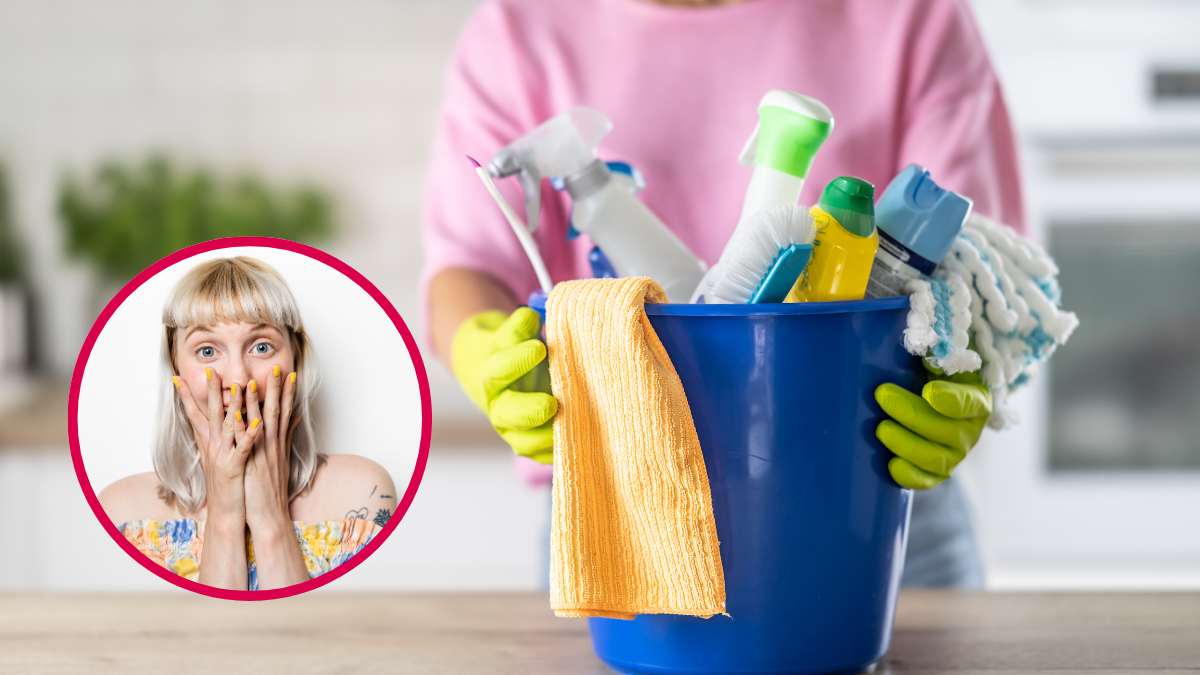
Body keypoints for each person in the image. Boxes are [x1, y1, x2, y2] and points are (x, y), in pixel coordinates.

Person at [423, 0, 1022, 587]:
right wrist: (486, 352)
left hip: (871, 498)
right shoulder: (516, 29)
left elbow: (981, 259)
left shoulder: (914, 14)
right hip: (622, 516)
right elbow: (470, 267)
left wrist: (964, 360)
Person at [99, 257, 397, 591]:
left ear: (295, 358)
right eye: (208, 351)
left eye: (262, 346)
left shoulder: (363, 491)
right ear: (175, 367)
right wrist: (225, 518)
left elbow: (311, 640)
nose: (238, 378)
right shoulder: (118, 511)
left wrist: (270, 518)